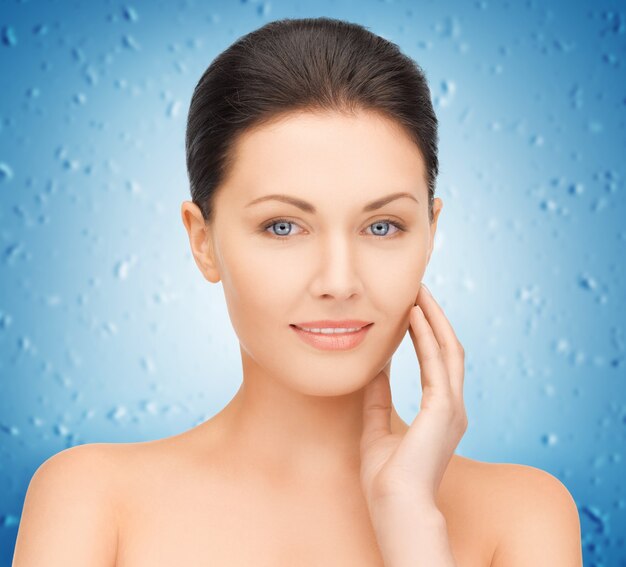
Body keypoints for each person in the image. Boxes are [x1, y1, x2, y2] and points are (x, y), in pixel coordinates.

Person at [13, 16, 582, 566]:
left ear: (430, 234)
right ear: (202, 240)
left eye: (382, 226)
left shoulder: (524, 515)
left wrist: (414, 525)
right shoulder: (92, 501)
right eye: (283, 227)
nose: (338, 282)